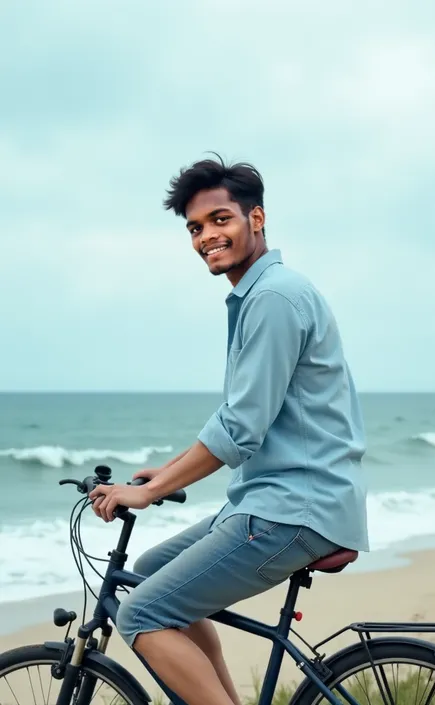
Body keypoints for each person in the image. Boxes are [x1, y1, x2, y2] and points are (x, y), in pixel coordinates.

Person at [90, 155, 369, 705]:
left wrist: (149, 492)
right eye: (196, 228)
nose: (207, 236)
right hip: (280, 500)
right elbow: (242, 415)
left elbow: (240, 429)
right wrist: (168, 471)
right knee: (147, 575)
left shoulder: (272, 298)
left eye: (221, 219)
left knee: (142, 613)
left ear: (257, 218)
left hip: (293, 509)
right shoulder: (259, 295)